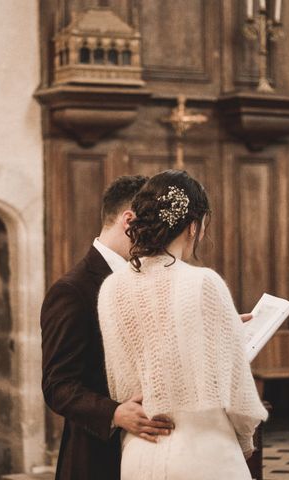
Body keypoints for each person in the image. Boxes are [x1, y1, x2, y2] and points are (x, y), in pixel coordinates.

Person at [98, 170, 268, 480]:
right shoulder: (203, 282)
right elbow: (237, 390)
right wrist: (244, 441)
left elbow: (121, 385)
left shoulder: (111, 288)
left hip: (140, 449)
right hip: (203, 450)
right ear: (193, 226)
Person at [41, 175, 175, 480]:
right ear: (130, 220)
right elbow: (57, 384)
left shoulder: (146, 277)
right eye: (154, 227)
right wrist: (114, 412)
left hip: (153, 452)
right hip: (98, 455)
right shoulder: (73, 289)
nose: (160, 240)